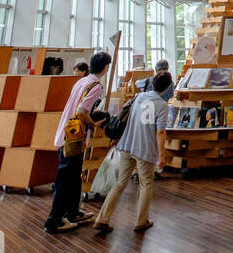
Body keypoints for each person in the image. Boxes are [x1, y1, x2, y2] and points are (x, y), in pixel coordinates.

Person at [92, 72, 170, 234]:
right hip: (145, 149)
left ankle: (102, 218)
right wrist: (162, 155)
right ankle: (141, 220)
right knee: (146, 184)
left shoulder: (139, 97)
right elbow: (160, 132)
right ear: (167, 87)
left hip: (127, 144)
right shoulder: (162, 106)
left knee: (120, 183)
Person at [44, 51, 110, 234]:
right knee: (66, 178)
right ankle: (54, 220)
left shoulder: (81, 81)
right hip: (73, 137)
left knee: (73, 176)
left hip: (66, 132)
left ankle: (72, 212)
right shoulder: (95, 85)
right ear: (105, 68)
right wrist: (93, 123)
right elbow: (82, 111)